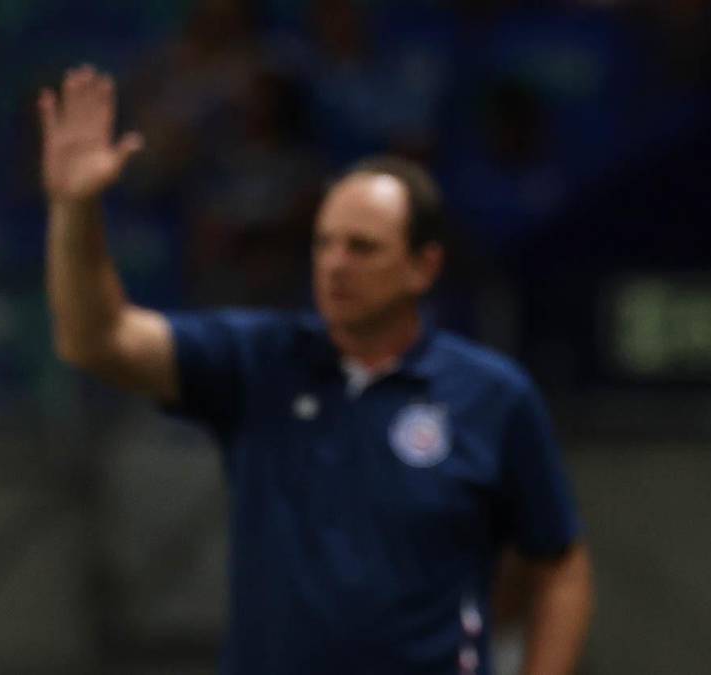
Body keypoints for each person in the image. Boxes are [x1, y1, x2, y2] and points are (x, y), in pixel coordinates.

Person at [40, 64, 592, 675]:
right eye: (323, 243)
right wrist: (75, 209)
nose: (334, 266)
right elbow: (98, 340)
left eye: (362, 248)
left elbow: (560, 565)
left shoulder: (493, 396)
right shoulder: (256, 363)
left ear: (423, 267)